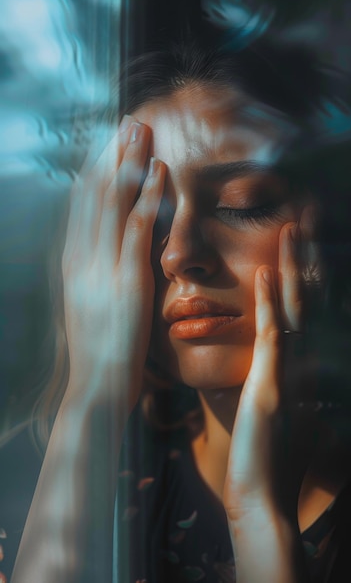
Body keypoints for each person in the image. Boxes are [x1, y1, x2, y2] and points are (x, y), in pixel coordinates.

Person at [6, 38, 351, 583]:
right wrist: (92, 396)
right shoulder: (24, 480)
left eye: (244, 203)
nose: (179, 253)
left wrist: (262, 518)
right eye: (143, 216)